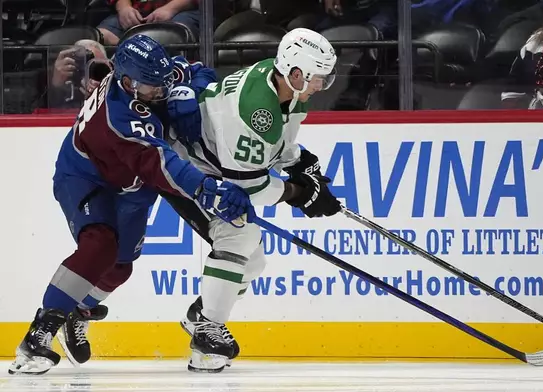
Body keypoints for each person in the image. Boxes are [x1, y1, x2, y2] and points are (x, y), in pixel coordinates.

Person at [8, 34, 253, 376]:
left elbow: (200, 72)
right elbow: (161, 163)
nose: (161, 91)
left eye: (163, 83)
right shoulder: (119, 116)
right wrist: (206, 188)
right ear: (128, 82)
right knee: (100, 244)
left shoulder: (150, 76)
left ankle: (79, 311)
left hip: (131, 186)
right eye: (153, 87)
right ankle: (39, 334)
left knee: (120, 267)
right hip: (85, 176)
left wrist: (187, 89)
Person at [162, 27, 342, 373]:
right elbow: (250, 187)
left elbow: (280, 146)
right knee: (240, 237)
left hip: (216, 165)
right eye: (319, 78)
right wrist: (300, 195)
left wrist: (304, 165)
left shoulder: (281, 84)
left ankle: (201, 315)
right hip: (184, 166)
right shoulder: (255, 111)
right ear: (296, 73)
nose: (322, 85)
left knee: (253, 263)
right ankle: (206, 335)